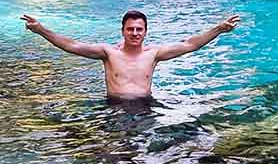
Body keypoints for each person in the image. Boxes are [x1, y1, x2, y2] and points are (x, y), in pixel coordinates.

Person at [20, 9, 241, 100]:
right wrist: (41, 30)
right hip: (114, 108)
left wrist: (219, 29)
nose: (135, 33)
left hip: (146, 107)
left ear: (145, 32)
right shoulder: (108, 53)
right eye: (130, 29)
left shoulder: (153, 54)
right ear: (123, 30)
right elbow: (72, 45)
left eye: (139, 29)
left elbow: (190, 44)